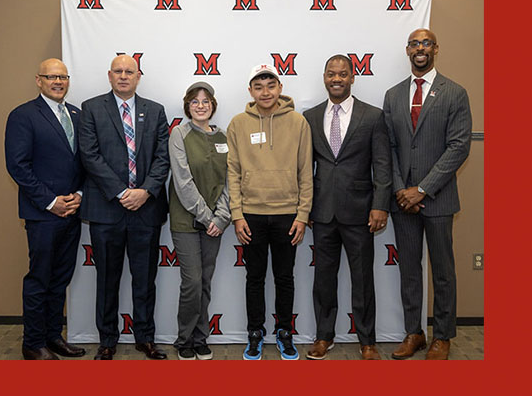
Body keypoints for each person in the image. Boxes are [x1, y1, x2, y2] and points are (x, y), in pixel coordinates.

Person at [383, 29, 472, 360]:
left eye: (426, 43)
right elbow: (388, 148)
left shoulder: (455, 92)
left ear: (436, 48)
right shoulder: (393, 95)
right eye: (414, 44)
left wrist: (422, 190)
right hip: (402, 202)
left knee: (443, 270)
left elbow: (459, 147)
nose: (420, 49)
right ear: (407, 50)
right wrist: (400, 190)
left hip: (437, 199)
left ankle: (443, 336)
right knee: (409, 269)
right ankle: (414, 333)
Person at [78, 54, 170, 360]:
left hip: (146, 208)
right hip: (107, 209)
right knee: (107, 279)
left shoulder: (155, 111)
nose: (123, 76)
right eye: (118, 71)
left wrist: (144, 191)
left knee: (145, 279)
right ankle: (107, 340)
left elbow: (162, 158)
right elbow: (89, 155)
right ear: (109, 75)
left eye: (129, 71)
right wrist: (121, 192)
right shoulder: (91, 108)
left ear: (138, 76)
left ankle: (145, 337)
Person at [303, 55, 392, 360]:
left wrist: (381, 205)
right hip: (323, 212)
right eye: (331, 74)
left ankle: (367, 341)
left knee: (363, 279)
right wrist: (306, 208)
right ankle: (323, 336)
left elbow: (382, 165)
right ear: (324, 77)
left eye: (343, 74)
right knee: (324, 279)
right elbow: (305, 168)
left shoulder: (373, 116)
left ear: (353, 77)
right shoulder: (310, 116)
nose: (337, 79)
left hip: (361, 212)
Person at [227, 63, 313, 360]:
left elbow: (306, 172)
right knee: (254, 278)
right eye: (259, 86)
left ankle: (285, 331)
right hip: (250, 215)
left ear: (280, 88)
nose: (266, 92)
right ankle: (255, 332)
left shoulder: (298, 123)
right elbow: (233, 172)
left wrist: (302, 215)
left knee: (285, 277)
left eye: (271, 85)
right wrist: (237, 214)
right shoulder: (238, 123)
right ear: (250, 90)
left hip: (288, 214)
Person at [5, 58, 86, 360]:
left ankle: (53, 337)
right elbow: (18, 166)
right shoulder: (23, 115)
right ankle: (33, 343)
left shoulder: (76, 115)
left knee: (60, 279)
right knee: (40, 279)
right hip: (43, 215)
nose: (58, 82)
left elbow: (83, 163)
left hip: (72, 212)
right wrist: (52, 202)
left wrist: (78, 195)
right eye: (51, 77)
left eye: (63, 77)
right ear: (38, 80)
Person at [168, 82, 231, 360]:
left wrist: (222, 216)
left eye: (206, 101)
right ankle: (184, 339)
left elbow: (231, 179)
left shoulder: (223, 137)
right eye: (195, 101)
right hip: (186, 221)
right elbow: (182, 182)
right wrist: (208, 218)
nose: (201, 105)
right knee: (191, 282)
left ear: (213, 105)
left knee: (205, 281)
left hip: (216, 222)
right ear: (187, 106)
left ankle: (200, 337)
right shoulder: (179, 134)